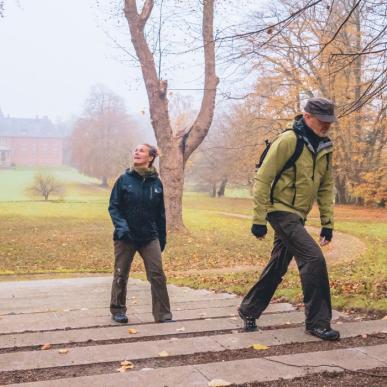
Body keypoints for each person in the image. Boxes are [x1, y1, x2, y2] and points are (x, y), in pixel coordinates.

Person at [238, 97, 340, 341]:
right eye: (321, 120)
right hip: (280, 211)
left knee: (278, 264)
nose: (326, 125)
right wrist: (259, 218)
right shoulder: (289, 140)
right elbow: (263, 178)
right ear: (307, 116)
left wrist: (327, 223)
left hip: (298, 215)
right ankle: (317, 322)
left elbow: (326, 185)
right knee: (313, 258)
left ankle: (249, 309)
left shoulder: (325, 147)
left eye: (329, 121)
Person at [108, 144, 173, 324]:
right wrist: (122, 227)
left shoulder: (157, 183)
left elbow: (160, 214)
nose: (136, 152)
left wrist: (162, 238)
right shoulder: (123, 179)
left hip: (149, 237)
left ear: (151, 157)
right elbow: (114, 206)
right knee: (121, 273)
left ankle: (163, 314)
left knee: (157, 274)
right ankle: (118, 310)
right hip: (125, 237)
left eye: (141, 150)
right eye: (135, 150)